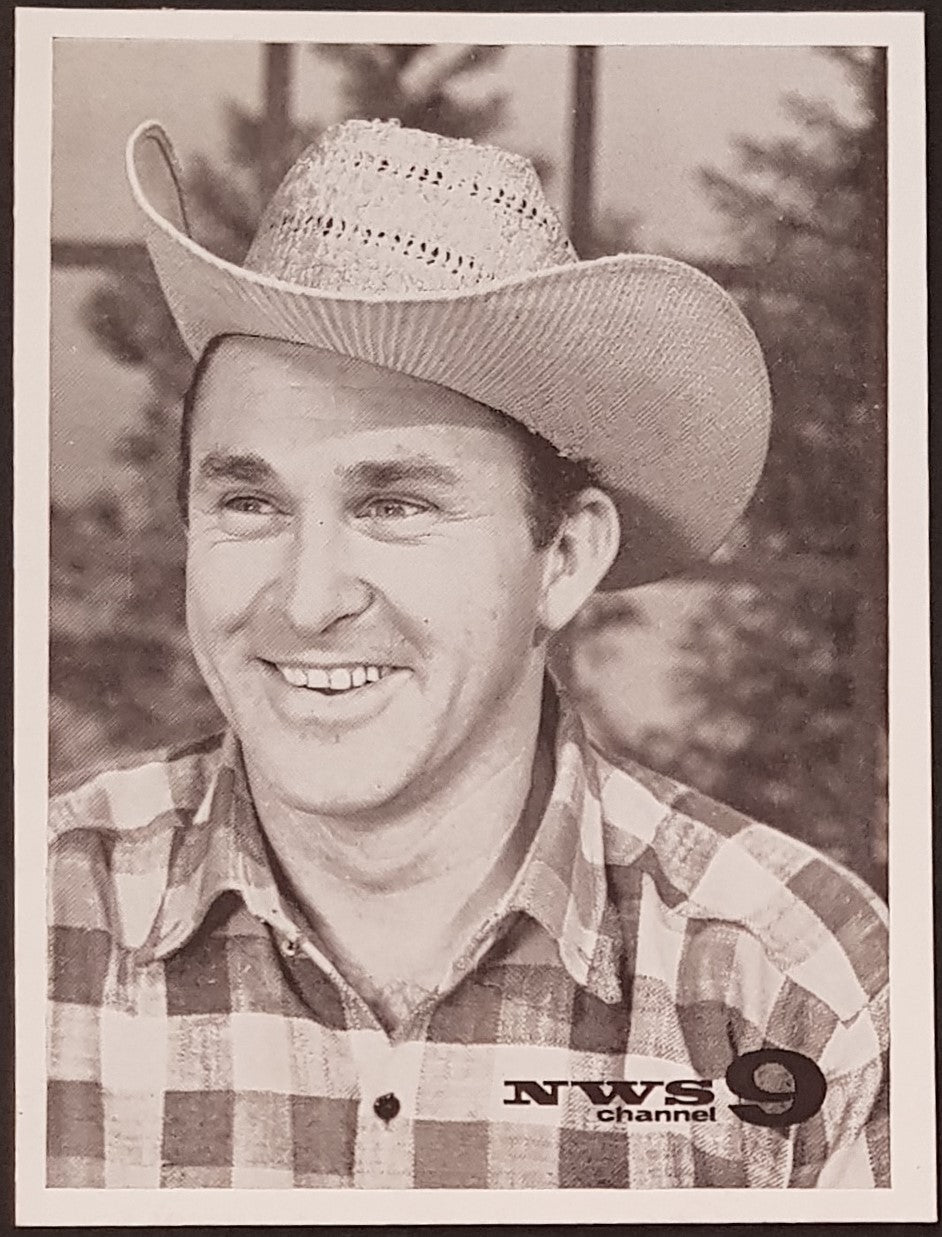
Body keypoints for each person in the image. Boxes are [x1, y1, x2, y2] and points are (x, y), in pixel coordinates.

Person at [47, 117, 888, 1190]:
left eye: (395, 505)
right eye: (250, 502)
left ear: (564, 559)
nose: (308, 599)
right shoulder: (37, 916)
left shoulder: (807, 990)